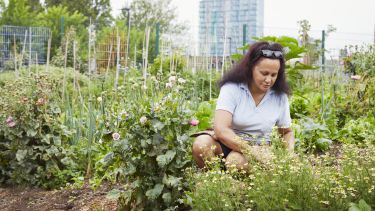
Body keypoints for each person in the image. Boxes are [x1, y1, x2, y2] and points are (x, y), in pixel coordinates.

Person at [192, 41, 295, 171]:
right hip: (227, 142)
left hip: (259, 146)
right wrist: (251, 151)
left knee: (236, 162)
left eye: (273, 75)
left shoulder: (279, 97)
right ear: (251, 68)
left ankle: (235, 186)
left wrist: (289, 156)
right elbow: (221, 129)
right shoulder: (232, 89)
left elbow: (286, 132)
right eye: (264, 73)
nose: (269, 80)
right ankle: (216, 181)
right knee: (201, 144)